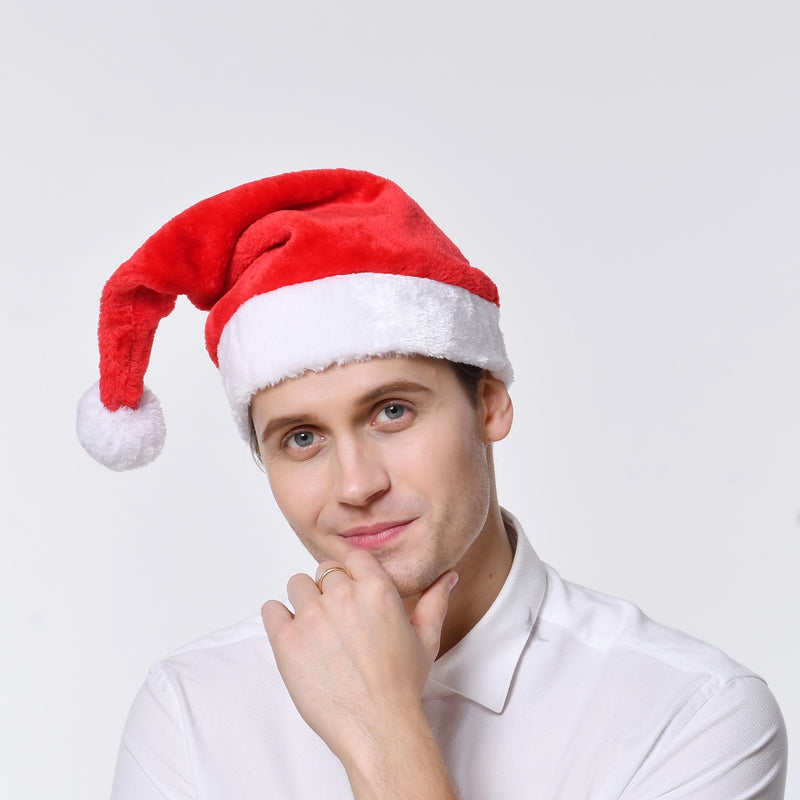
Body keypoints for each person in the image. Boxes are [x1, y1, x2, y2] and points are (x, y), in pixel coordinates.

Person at [77, 169, 787, 799]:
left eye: (392, 411)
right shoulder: (193, 708)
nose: (355, 485)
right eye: (302, 438)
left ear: (489, 404)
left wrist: (383, 731)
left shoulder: (690, 714)